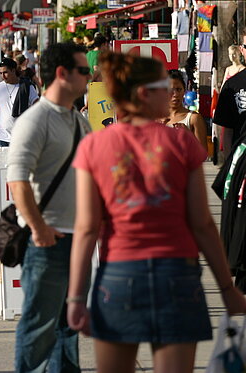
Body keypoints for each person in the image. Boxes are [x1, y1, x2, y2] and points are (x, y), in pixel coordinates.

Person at [67, 52, 246, 373]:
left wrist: (77, 297)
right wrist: (227, 289)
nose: (174, 92)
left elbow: (86, 228)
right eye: (165, 86)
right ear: (143, 93)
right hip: (176, 276)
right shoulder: (181, 144)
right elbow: (202, 224)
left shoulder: (93, 147)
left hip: (118, 279)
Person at [6, 43, 92, 372]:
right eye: (83, 71)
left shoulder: (76, 120)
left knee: (67, 327)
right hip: (48, 240)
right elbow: (18, 181)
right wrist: (40, 230)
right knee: (39, 326)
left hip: (76, 239)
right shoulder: (36, 120)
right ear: (62, 74)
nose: (88, 77)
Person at [0, 58, 39, 208]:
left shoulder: (27, 87)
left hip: (22, 135)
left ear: (14, 70)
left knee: (21, 166)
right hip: (1, 135)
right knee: (0, 167)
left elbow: (36, 106)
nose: (3, 76)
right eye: (1, 73)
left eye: (6, 72)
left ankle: (22, 195)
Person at [162, 70, 207, 149]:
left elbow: (203, 154)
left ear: (184, 91)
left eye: (179, 89)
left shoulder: (193, 118)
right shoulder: (155, 119)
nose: (175, 94)